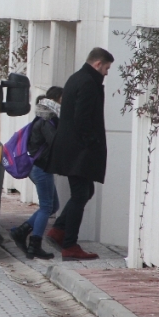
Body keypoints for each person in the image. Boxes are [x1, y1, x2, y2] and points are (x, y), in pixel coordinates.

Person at [45, 47, 114, 260]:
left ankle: (59, 231)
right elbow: (82, 119)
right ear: (97, 64)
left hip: (72, 149)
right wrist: (91, 142)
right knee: (80, 194)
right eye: (106, 68)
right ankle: (69, 244)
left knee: (85, 192)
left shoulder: (77, 78)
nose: (107, 73)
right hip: (79, 151)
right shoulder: (87, 83)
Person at [9, 86, 63, 260]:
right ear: (57, 99)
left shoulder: (45, 116)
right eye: (63, 99)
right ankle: (35, 244)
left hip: (39, 168)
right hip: (40, 168)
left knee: (53, 205)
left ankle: (21, 231)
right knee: (47, 207)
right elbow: (55, 142)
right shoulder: (47, 120)